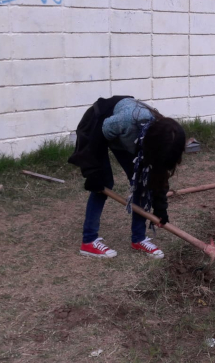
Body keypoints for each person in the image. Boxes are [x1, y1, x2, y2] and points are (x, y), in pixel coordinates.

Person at [68, 97, 186, 259]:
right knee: (103, 182)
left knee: (141, 184)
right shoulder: (128, 120)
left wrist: (160, 210)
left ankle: (138, 239)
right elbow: (96, 137)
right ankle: (88, 241)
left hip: (124, 136)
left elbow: (158, 173)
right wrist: (92, 170)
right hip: (97, 126)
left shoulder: (162, 140)